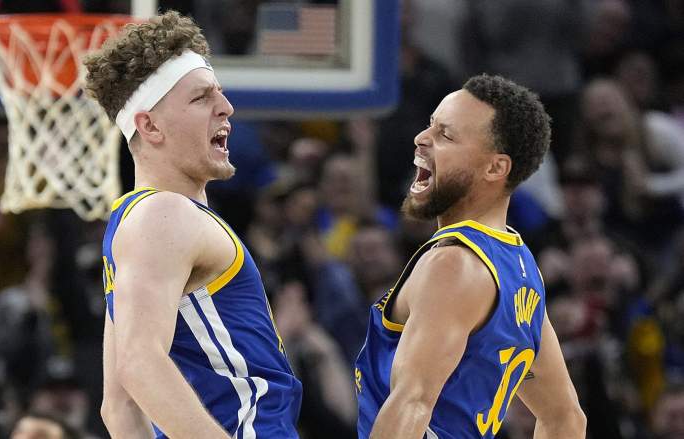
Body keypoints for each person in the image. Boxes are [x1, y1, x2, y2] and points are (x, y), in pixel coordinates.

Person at [83, 11, 302, 439]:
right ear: (149, 125)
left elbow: (119, 407)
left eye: (219, 93)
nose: (226, 107)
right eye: (201, 98)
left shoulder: (135, 221)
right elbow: (140, 365)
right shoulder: (165, 215)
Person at [354, 74, 587, 438]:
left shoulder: (453, 264)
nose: (421, 138)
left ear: (495, 168)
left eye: (445, 135)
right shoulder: (520, 267)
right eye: (430, 125)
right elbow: (567, 418)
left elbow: (412, 403)